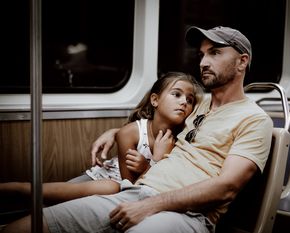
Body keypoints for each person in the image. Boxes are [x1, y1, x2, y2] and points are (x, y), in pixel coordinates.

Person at [1, 26, 273, 233]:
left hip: (187, 214)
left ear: (242, 61)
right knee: (32, 224)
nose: (202, 62)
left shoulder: (254, 119)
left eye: (214, 53)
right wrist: (117, 132)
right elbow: (156, 115)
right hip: (135, 191)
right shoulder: (197, 103)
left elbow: (226, 187)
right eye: (202, 54)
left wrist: (152, 205)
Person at [0, 71, 202, 204]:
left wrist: (149, 165)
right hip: (107, 178)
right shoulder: (130, 132)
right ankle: (11, 189)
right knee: (41, 193)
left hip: (126, 187)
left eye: (190, 100)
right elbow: (128, 186)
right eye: (176, 94)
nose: (184, 102)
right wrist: (152, 165)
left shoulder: (181, 140)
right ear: (155, 100)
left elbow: (164, 184)